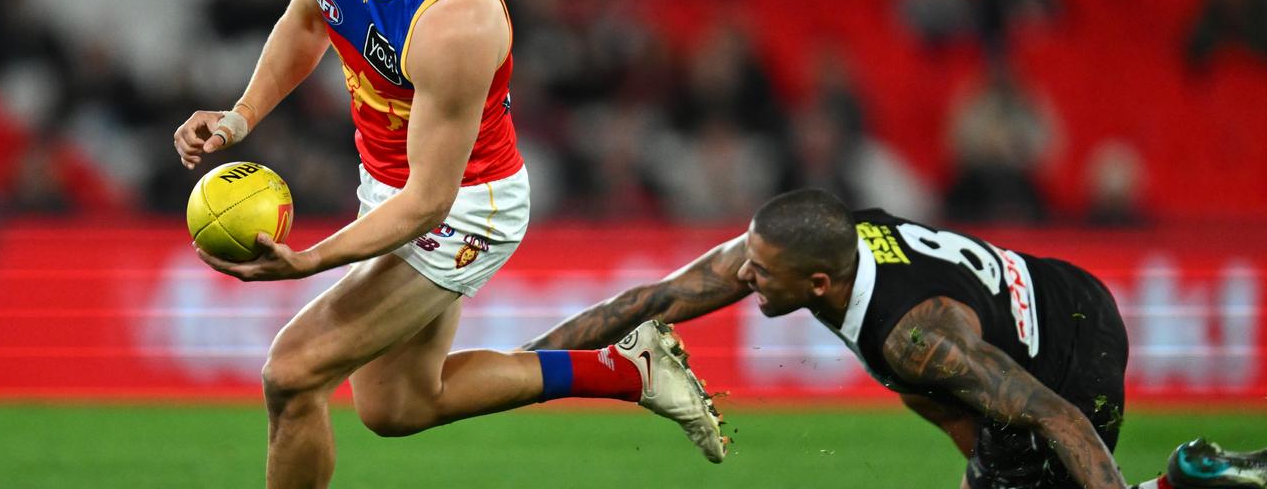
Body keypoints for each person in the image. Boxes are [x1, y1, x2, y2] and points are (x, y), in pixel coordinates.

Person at [172, 0, 724, 486]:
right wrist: (240, 115)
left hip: (463, 206)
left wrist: (312, 261)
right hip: (393, 184)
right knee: (397, 406)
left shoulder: (457, 17)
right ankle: (624, 369)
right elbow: (309, 20)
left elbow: (431, 200)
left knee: (292, 371)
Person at [524, 188, 1267, 489]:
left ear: (817, 286)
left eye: (763, 272)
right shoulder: (806, 250)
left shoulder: (919, 337)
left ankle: (1181, 481)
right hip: (1025, 301)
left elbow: (1057, 417)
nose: (746, 277)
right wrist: (521, 368)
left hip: (1073, 348)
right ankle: (1188, 481)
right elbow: (645, 300)